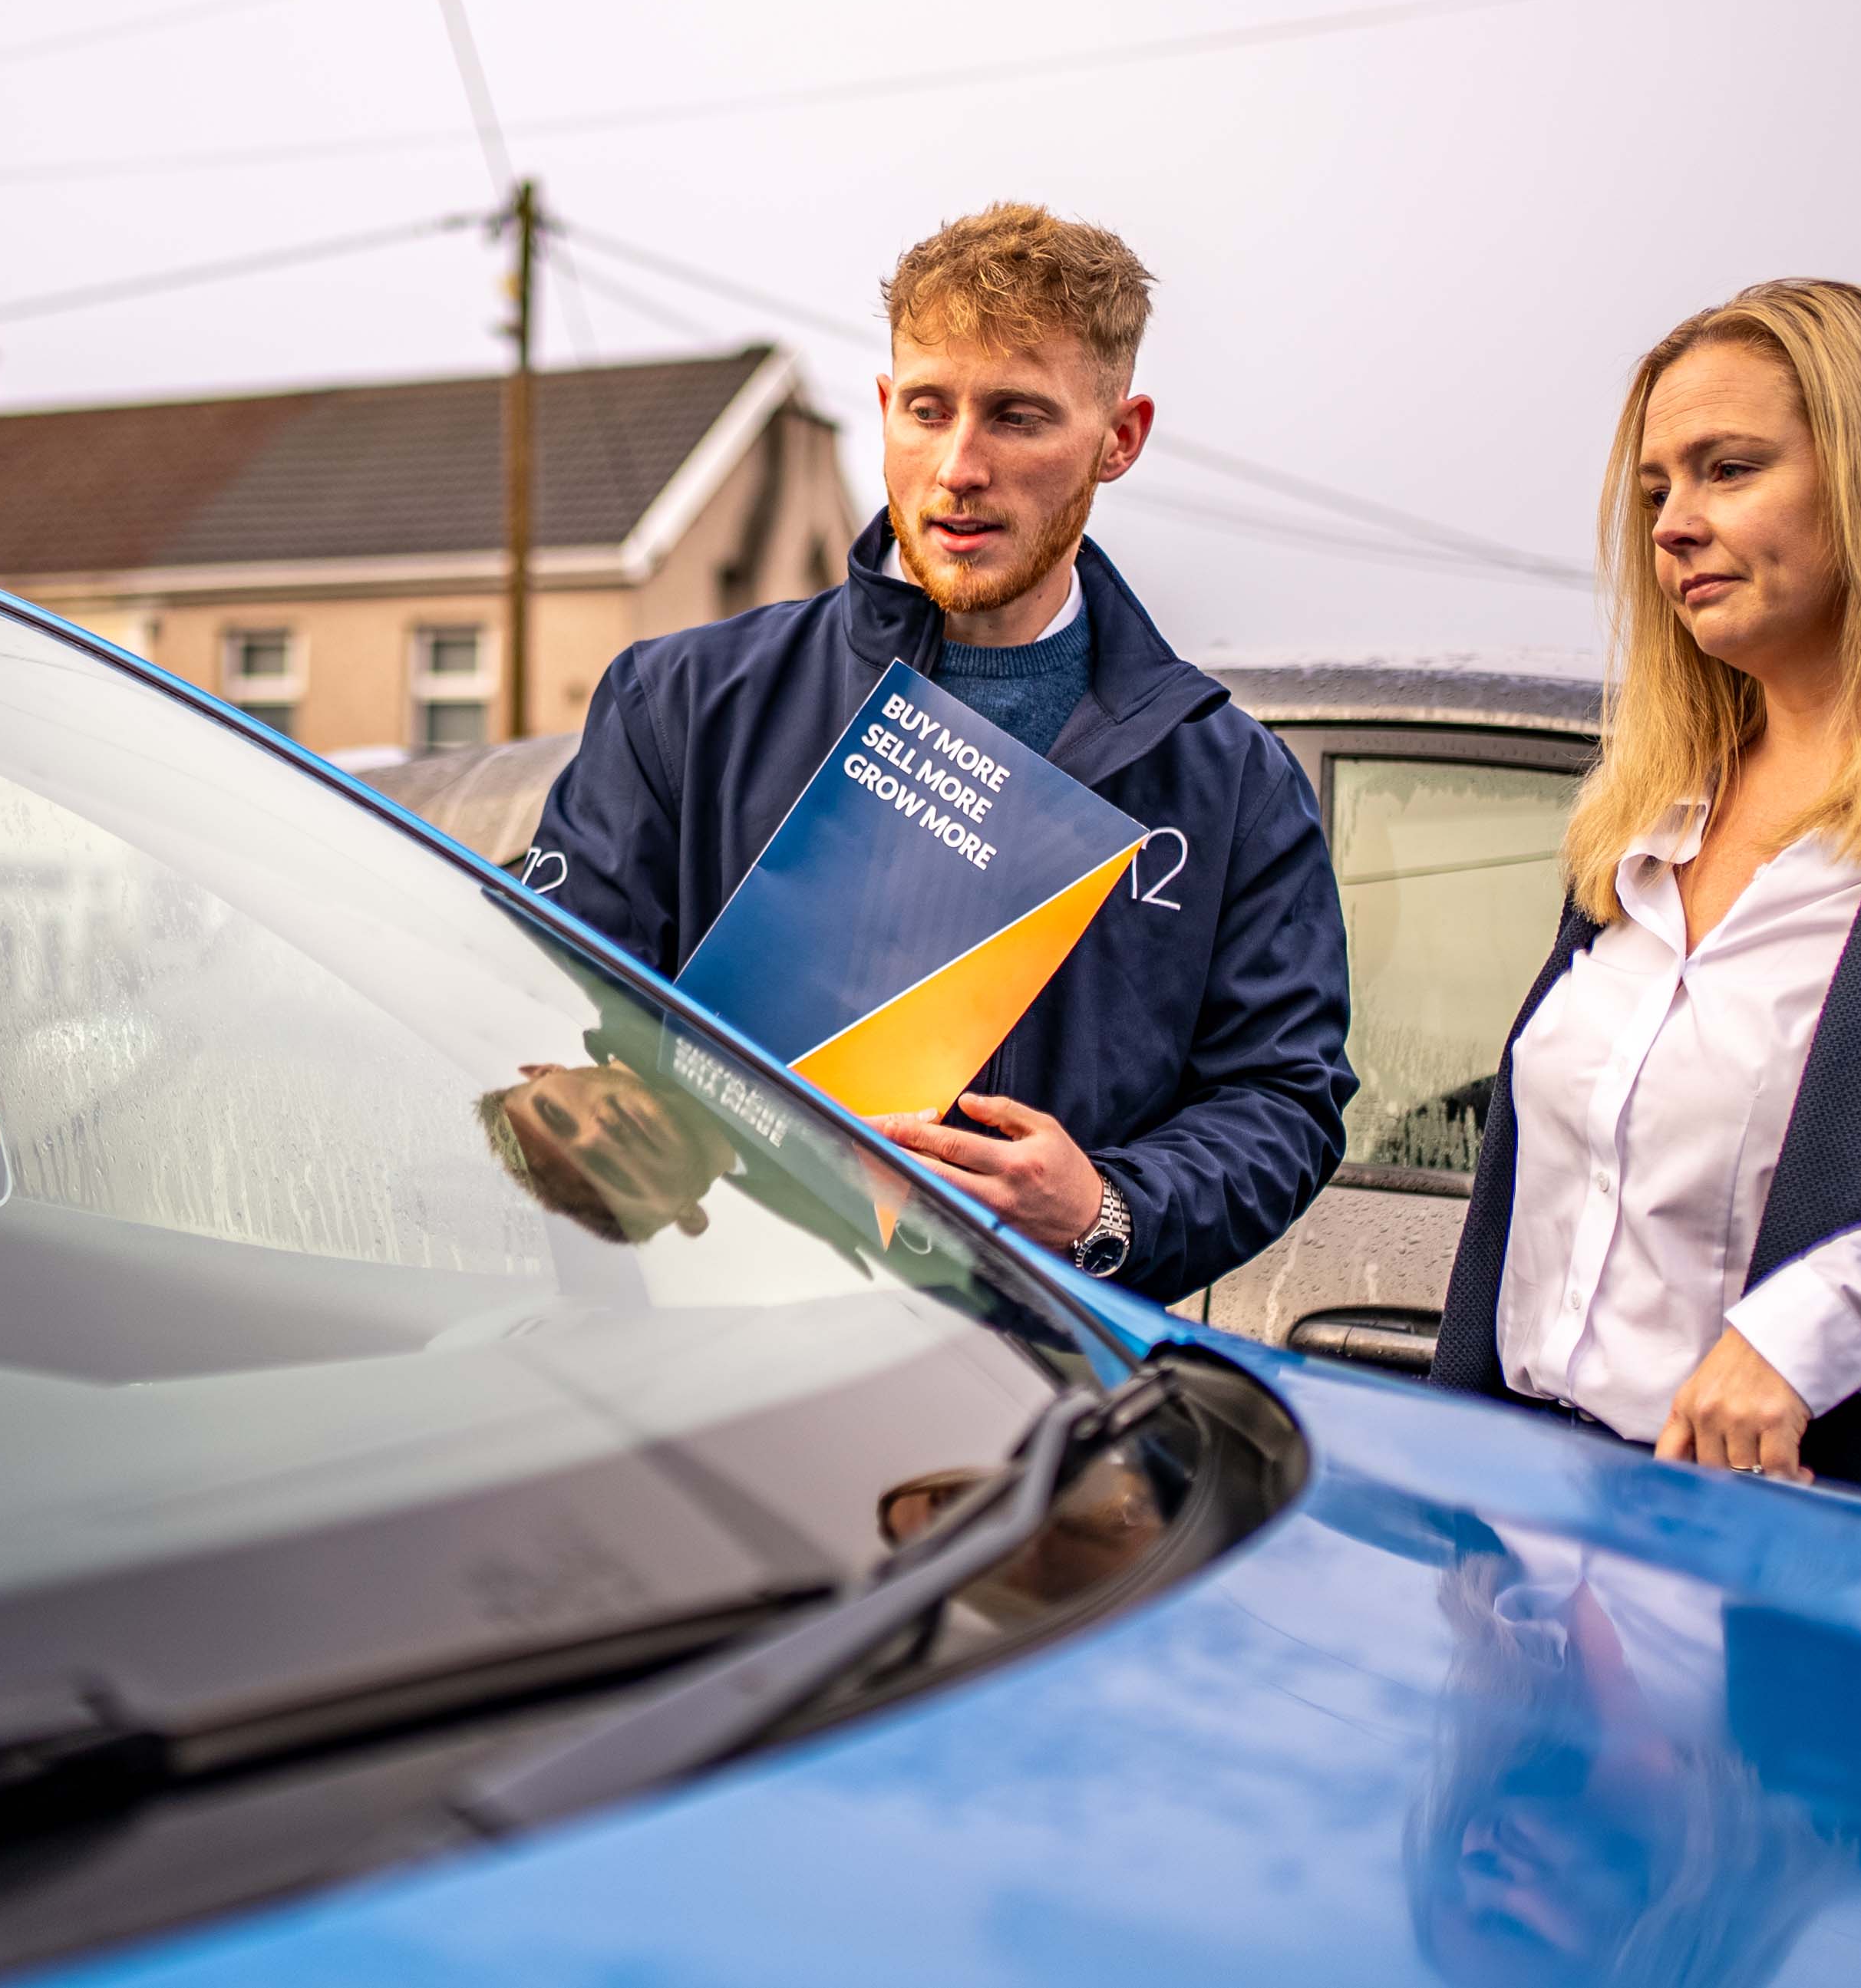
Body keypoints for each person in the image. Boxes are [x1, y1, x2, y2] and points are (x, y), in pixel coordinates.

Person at [523, 202, 1355, 1298]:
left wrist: (1108, 1207)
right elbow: (536, 999)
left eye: (1017, 417)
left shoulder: (1228, 783)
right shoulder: (679, 701)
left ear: (1121, 435)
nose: (958, 465)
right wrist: (583, 1113)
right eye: (927, 409)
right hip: (710, 1365)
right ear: (882, 409)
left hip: (1035, 1397)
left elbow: (1280, 1098)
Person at [1430, 277, 1861, 1556]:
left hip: (1821, 1603)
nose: (1673, 527)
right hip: (1523, 1557)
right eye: (1654, 492)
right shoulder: (1637, 818)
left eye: (1726, 470)